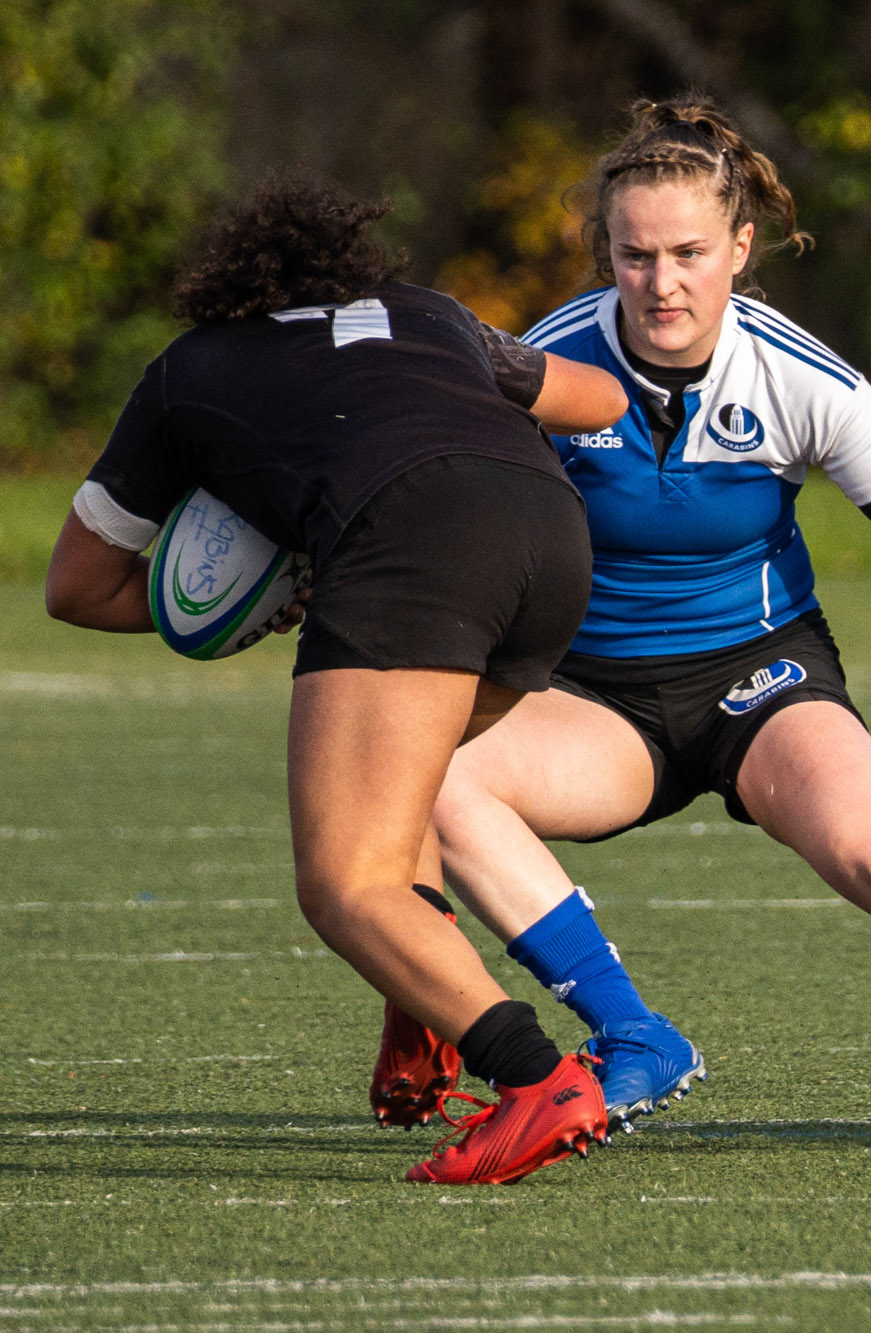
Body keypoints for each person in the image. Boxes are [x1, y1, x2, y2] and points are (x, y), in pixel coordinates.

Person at [373, 96, 871, 1149]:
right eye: (634, 256)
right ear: (606, 253)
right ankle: (634, 1034)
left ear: (740, 246)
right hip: (596, 700)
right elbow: (456, 526)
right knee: (434, 776)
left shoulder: (800, 378)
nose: (661, 283)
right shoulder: (549, 365)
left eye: (689, 253)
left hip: (759, 682)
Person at [44, 176, 638, 1185]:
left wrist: (259, 599)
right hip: (549, 539)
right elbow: (602, 398)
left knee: (343, 882)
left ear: (227, 286)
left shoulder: (191, 368)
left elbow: (76, 586)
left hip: (409, 540)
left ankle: (537, 1078)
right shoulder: (431, 314)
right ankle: (423, 1006)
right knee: (396, 797)